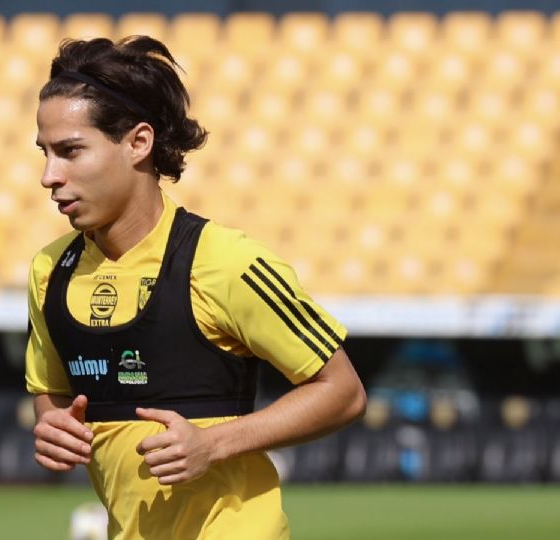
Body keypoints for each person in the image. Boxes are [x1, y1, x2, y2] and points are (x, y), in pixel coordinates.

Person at [26, 35, 367, 539]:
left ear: (138, 143)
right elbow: (51, 396)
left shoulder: (225, 261)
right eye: (45, 153)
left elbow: (343, 393)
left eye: (71, 151)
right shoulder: (51, 271)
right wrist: (52, 426)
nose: (48, 175)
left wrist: (215, 443)